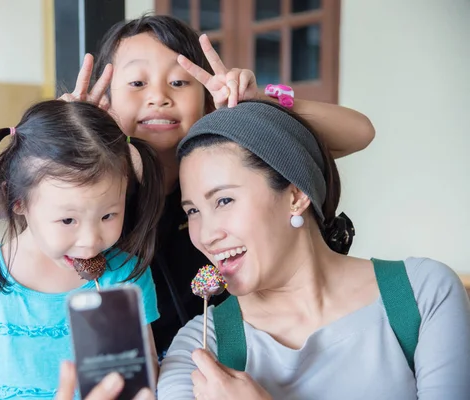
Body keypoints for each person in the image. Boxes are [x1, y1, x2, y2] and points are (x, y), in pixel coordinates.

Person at [0, 15, 376, 357]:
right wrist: (53, 136)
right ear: (107, 99)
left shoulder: (233, 151)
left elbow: (360, 132)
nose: (158, 96)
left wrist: (261, 101)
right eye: (137, 83)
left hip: (236, 351)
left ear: (205, 95)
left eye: (179, 81)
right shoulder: (92, 181)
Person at [157, 100, 470, 399]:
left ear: (296, 195)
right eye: (193, 211)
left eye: (224, 200)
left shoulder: (422, 292)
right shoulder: (198, 348)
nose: (206, 235)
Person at [0, 101, 163, 400]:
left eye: (108, 215)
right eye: (68, 219)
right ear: (18, 201)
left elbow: (144, 384)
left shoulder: (126, 278)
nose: (90, 240)